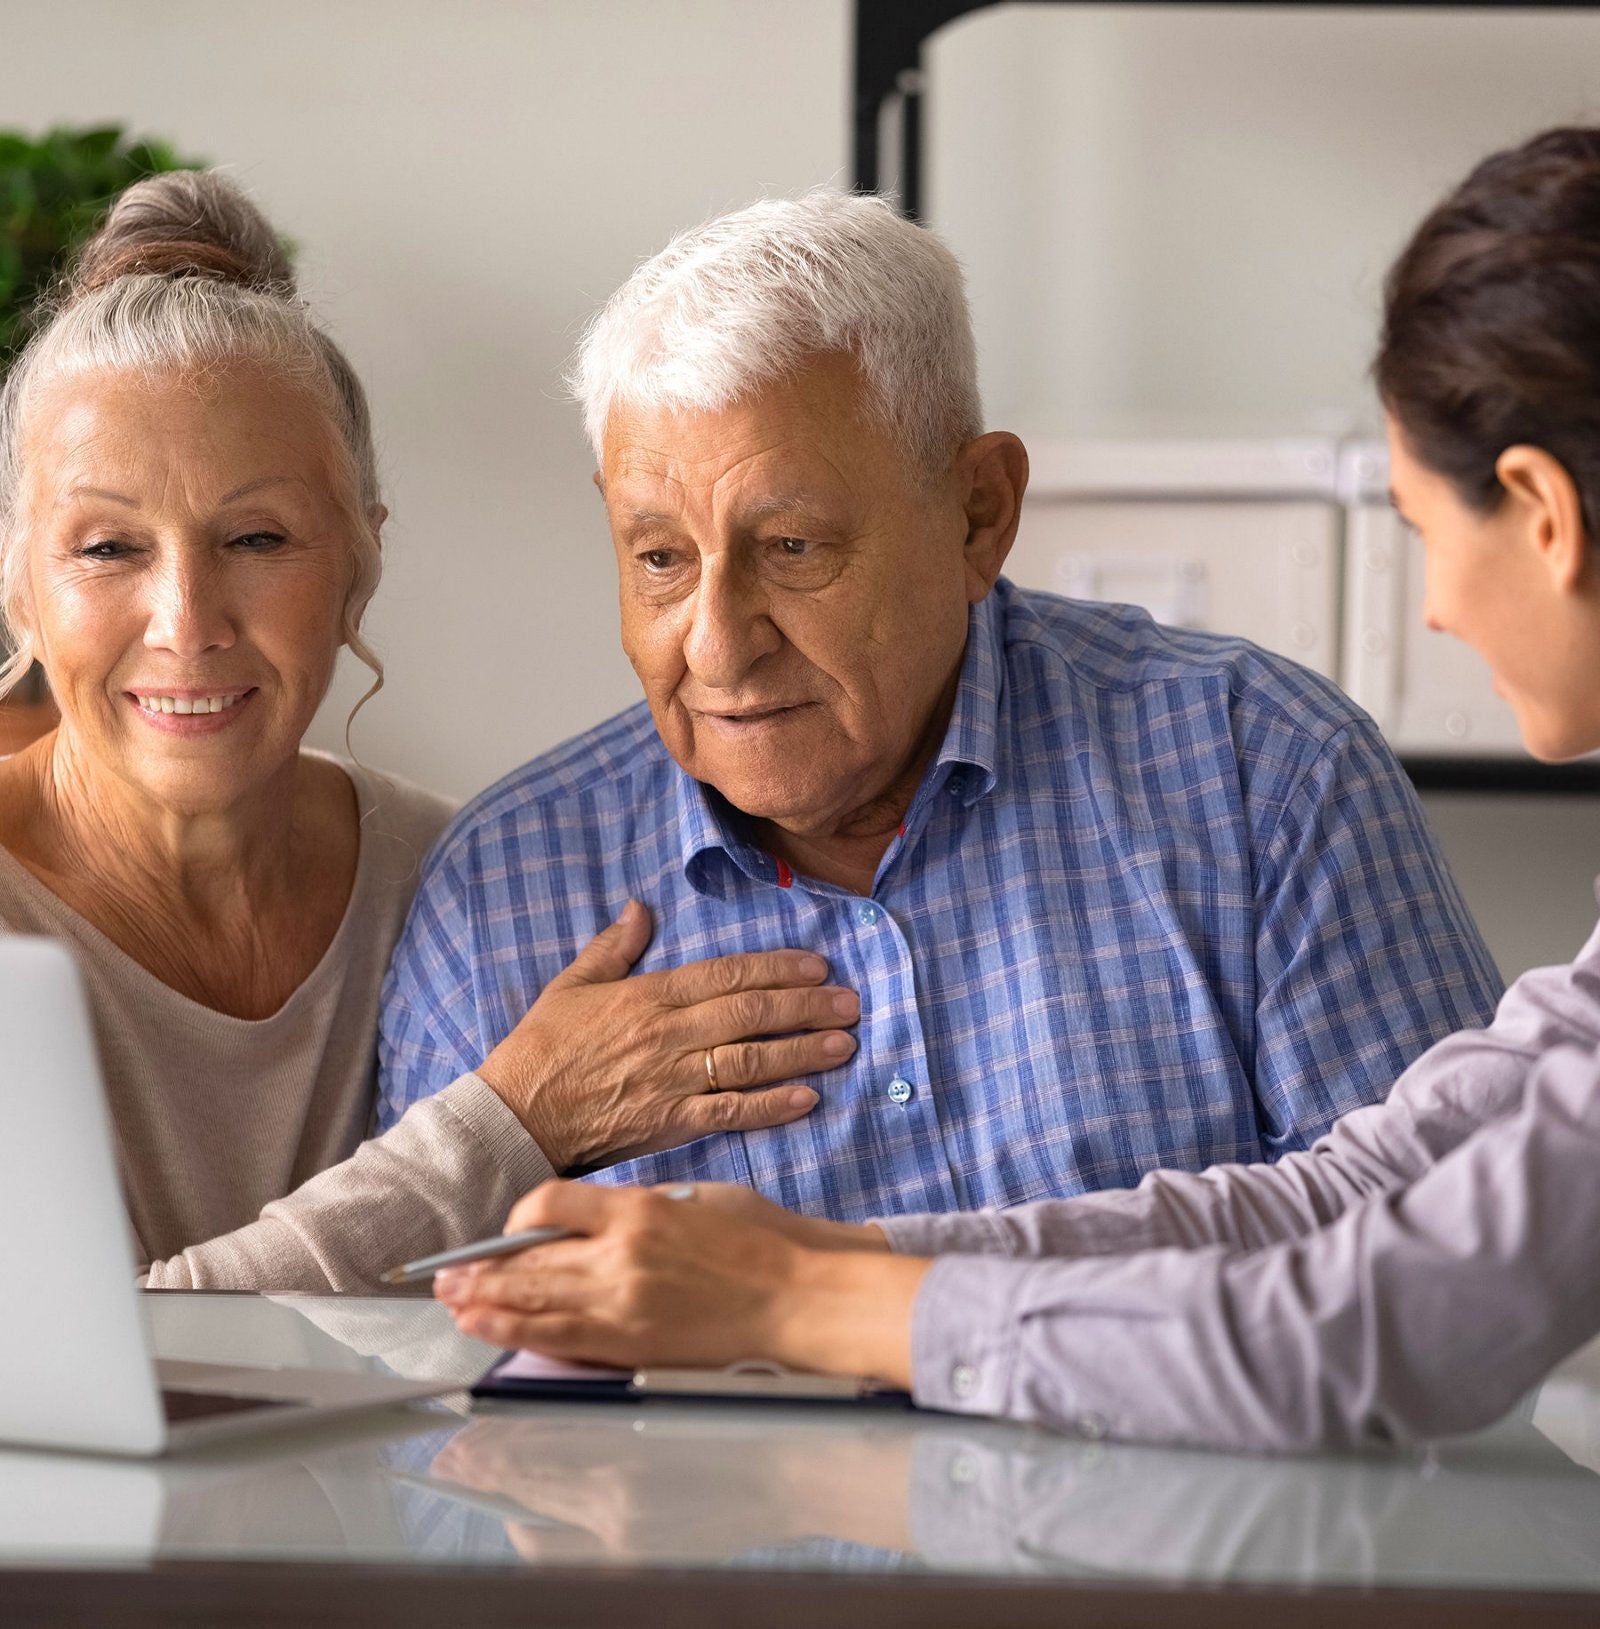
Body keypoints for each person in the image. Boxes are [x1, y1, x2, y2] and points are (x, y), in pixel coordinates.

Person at [437, 127, 1600, 1453]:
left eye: (1420, 534)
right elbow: (1357, 1196)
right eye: (657, 557)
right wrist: (806, 1261)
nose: (1434, 610)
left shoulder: (1258, 761)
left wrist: (792, 1296)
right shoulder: (498, 880)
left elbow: (1366, 1324)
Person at [382, 189, 1497, 1217]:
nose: (717, 647)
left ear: (978, 512)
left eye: (791, 546)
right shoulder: (500, 903)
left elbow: (1446, 1279)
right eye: (660, 558)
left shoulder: (1265, 777)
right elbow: (408, 1402)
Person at [0, 171, 856, 1291]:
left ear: (362, 559)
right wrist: (513, 1120)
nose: (188, 623)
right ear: (19, 583)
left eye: (257, 539)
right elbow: (83, 1371)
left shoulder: (458, 881)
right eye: (108, 548)